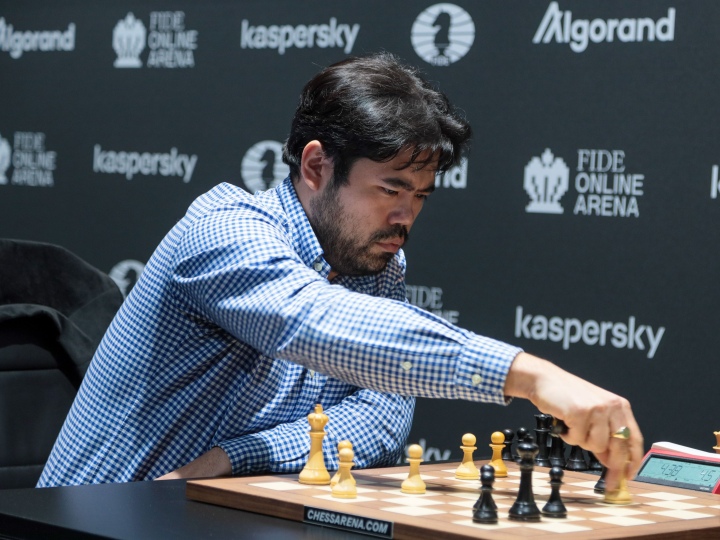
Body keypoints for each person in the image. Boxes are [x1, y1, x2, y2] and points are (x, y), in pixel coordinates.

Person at [38, 52, 642, 491]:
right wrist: (530, 375)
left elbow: (380, 416)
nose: (406, 217)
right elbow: (318, 324)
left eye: (422, 196)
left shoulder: (373, 256)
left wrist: (234, 456)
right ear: (316, 165)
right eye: (391, 189)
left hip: (206, 508)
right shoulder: (222, 232)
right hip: (96, 516)